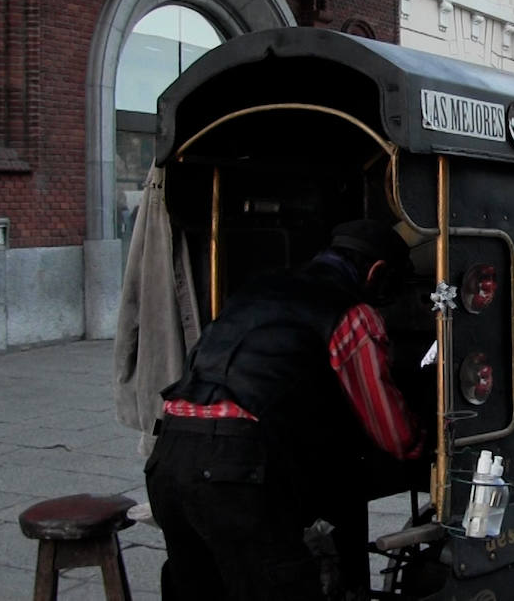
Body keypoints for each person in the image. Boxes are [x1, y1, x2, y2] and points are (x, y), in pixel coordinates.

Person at [145, 219, 424, 601]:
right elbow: (395, 435)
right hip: (234, 470)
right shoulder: (349, 311)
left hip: (170, 455)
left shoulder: (257, 289)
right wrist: (425, 440)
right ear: (376, 272)